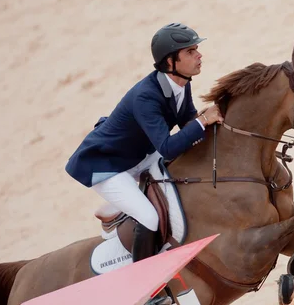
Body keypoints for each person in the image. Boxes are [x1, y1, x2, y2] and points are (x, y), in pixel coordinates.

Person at [65, 22, 223, 262]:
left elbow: (187, 122)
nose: (199, 55)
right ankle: (143, 279)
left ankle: (115, 208)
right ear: (170, 62)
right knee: (150, 218)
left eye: (196, 49)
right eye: (190, 52)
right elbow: (168, 146)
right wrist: (202, 122)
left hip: (141, 154)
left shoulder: (181, 83)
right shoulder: (146, 97)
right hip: (108, 166)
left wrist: (212, 121)